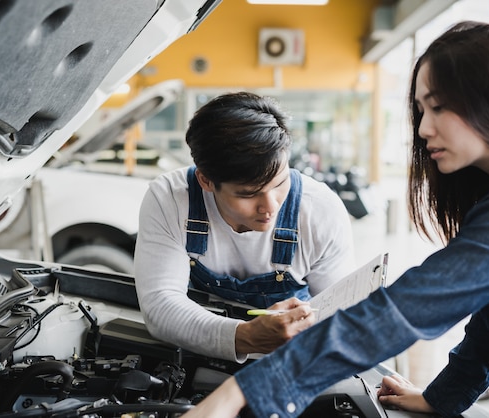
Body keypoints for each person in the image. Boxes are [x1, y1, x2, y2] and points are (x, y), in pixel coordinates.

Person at [181, 20, 489, 418]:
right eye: (421, 110)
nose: (423, 129)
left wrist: (239, 393)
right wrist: (445, 397)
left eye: (438, 107)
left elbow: (407, 308)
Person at [134, 91, 356, 363]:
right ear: (206, 181)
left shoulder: (320, 211)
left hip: (291, 363)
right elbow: (160, 305)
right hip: (198, 356)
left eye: (279, 184)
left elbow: (343, 318)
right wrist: (246, 337)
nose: (270, 206)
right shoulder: (170, 198)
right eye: (249, 194)